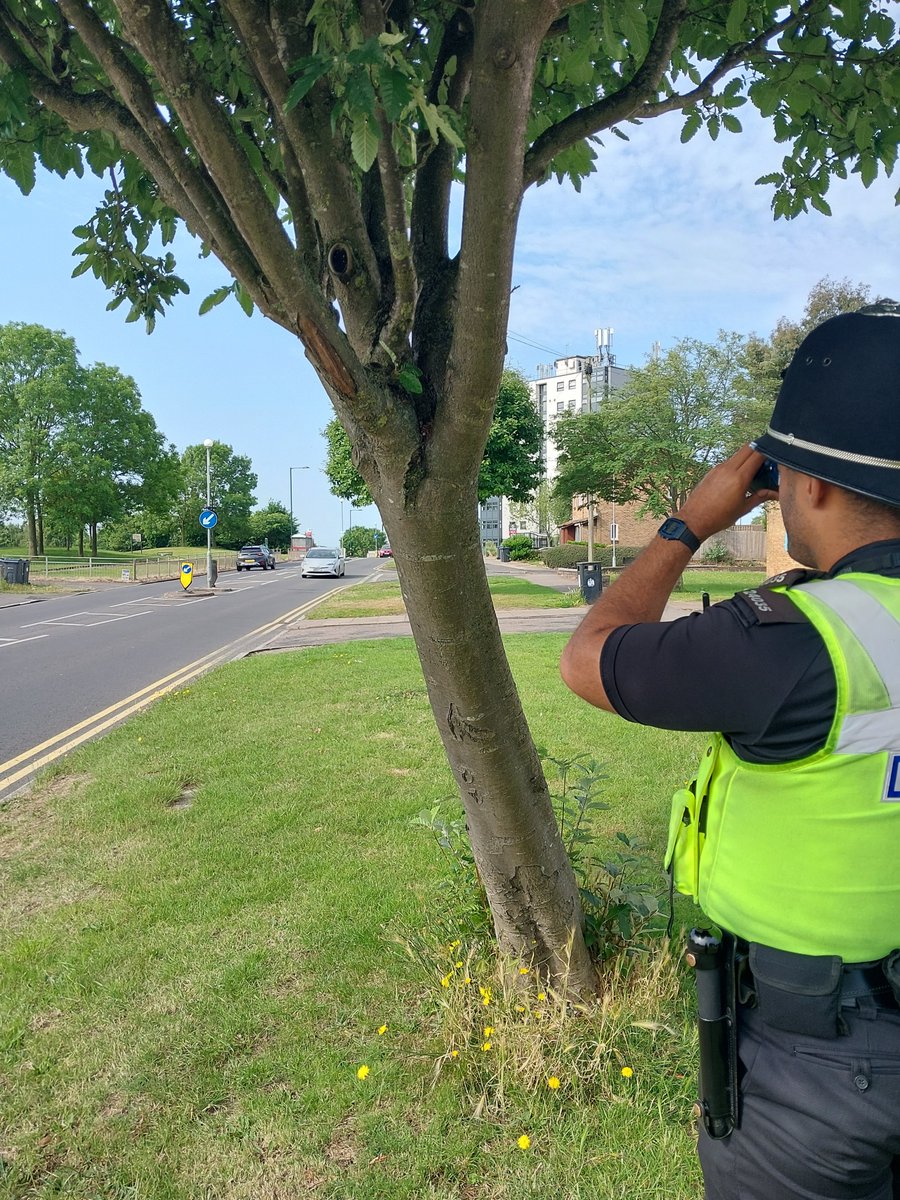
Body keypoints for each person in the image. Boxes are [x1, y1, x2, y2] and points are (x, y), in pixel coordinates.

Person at [560, 299, 900, 1200]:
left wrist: (687, 524)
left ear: (811, 486)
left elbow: (588, 657)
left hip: (816, 1074)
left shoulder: (787, 641)